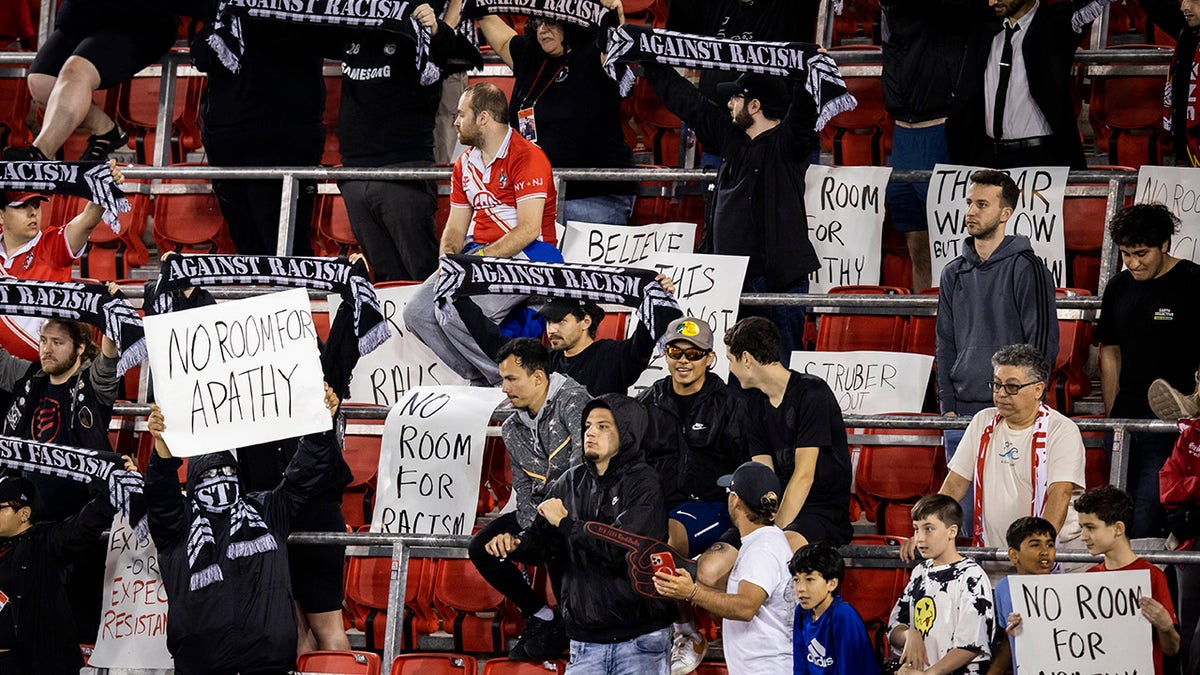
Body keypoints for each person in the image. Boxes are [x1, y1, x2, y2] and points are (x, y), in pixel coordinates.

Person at [143, 385, 345, 675]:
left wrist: (320, 424)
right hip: (202, 667)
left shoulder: (267, 509)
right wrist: (162, 451)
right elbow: (160, 495)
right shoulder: (177, 526)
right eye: (209, 475)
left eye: (227, 472)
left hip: (269, 664)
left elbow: (304, 473)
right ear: (193, 484)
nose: (219, 480)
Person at [641, 66, 820, 359]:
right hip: (730, 280)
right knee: (737, 370)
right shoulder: (731, 137)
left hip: (777, 282)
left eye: (736, 98)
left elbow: (803, 114)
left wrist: (809, 72)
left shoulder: (788, 143)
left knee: (782, 370)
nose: (729, 105)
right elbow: (691, 103)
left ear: (755, 105)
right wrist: (648, 62)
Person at [499, 394, 676, 673]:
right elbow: (543, 543)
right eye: (588, 425)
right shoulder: (568, 482)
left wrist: (567, 524)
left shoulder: (645, 483)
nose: (591, 432)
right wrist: (515, 545)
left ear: (627, 432)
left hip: (639, 640)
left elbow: (623, 548)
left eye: (604, 426)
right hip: (585, 642)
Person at [403, 82, 561, 387]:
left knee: (456, 312)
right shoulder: (464, 163)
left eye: (462, 114)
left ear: (484, 118)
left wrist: (478, 262)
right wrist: (449, 262)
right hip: (480, 255)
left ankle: (517, 381)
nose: (456, 121)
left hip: (534, 256)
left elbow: (529, 229)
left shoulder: (528, 156)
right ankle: (487, 375)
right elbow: (455, 227)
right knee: (417, 313)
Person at [935, 169, 1058, 538]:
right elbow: (944, 343)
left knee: (1012, 527)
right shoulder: (952, 273)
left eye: (982, 204)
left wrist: (1026, 404)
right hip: (964, 413)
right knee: (963, 525)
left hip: (1014, 413)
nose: (971, 211)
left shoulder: (1027, 267)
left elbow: (1042, 344)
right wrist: (947, 406)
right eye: (970, 203)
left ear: (1005, 213)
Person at [901, 344, 1085, 564]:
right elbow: (954, 484)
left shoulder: (1062, 429)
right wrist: (926, 529)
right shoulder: (982, 420)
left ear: (1038, 389)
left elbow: (1060, 493)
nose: (1001, 394)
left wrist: (1039, 547)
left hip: (1047, 561)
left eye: (1012, 387)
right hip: (994, 557)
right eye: (997, 385)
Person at [468, 338, 590, 661]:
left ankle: (571, 629)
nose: (504, 388)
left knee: (554, 538)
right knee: (482, 547)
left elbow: (583, 476)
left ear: (538, 378)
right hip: (537, 520)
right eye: (502, 379)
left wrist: (541, 529)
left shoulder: (574, 403)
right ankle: (541, 615)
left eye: (511, 379)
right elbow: (522, 491)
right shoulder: (511, 428)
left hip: (576, 515)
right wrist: (520, 538)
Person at [174, 0, 327, 256]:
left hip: (283, 138)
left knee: (286, 250)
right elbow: (202, 56)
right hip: (229, 139)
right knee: (247, 250)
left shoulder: (300, 8)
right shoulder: (223, 7)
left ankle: (297, 296)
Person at [475, 0, 637, 225]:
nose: (543, 29)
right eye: (539, 22)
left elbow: (615, 46)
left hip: (595, 197)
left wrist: (615, 17)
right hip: (535, 198)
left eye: (551, 22)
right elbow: (500, 38)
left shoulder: (594, 53)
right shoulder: (531, 55)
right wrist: (477, 5)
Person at [1096, 203, 1200, 538]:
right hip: (1125, 421)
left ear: (1165, 244)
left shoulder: (1194, 281)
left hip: (1172, 426)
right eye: (1126, 254)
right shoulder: (1117, 287)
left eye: (1141, 253)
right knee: (1113, 522)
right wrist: (1114, 413)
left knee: (1146, 520)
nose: (1133, 263)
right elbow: (1109, 349)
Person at [336, 2, 453, 282]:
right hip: (354, 173)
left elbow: (456, 52)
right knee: (386, 283)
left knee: (424, 281)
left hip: (403, 172)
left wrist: (436, 30)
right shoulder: (349, 19)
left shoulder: (420, 26)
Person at [723, 317, 854, 552]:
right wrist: (763, 521)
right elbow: (764, 475)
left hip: (821, 510)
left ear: (746, 359)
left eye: (731, 360)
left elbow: (804, 476)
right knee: (712, 566)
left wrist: (771, 534)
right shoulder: (754, 405)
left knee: (772, 552)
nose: (730, 369)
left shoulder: (813, 393)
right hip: (776, 509)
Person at [880, 0, 984, 292]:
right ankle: (924, 321)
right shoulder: (889, 11)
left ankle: (958, 325)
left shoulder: (945, 13)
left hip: (940, 129)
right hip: (903, 135)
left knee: (954, 246)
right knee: (918, 245)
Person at [654, 461, 794, 675]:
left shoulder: (762, 549)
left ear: (735, 500)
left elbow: (746, 607)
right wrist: (687, 586)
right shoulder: (765, 542)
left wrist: (691, 592)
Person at [2, 0, 175, 161]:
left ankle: (40, 153)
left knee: (76, 71)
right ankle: (105, 130)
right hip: (84, 15)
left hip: (136, 19)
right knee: (41, 82)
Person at [945, 0, 1109, 169]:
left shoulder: (1056, 23)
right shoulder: (983, 27)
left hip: (1041, 158)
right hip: (988, 157)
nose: (992, 1)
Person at [638, 316, 753, 557]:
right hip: (654, 505)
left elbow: (747, 467)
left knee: (667, 539)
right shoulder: (646, 402)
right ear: (665, 354)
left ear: (709, 358)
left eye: (693, 354)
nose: (683, 361)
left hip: (710, 506)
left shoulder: (732, 405)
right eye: (674, 352)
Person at [0, 473, 131, 674]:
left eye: (0, 508)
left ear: (24, 513)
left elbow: (86, 523)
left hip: (38, 664)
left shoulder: (47, 541)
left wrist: (114, 482)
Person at [0, 160, 126, 361]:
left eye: (36, 205)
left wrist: (104, 185)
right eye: (22, 206)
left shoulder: (52, 245)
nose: (33, 212)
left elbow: (87, 220)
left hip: (41, 372)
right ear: (1, 216)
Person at [1075, 486, 1180, 675]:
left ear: (1118, 528)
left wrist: (1166, 627)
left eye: (1090, 527)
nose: (1083, 536)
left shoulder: (1152, 575)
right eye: (1081, 527)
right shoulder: (1088, 577)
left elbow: (1171, 649)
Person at [888, 494, 994, 675]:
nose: (920, 538)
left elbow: (971, 645)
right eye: (916, 529)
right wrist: (910, 635)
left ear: (952, 531)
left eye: (929, 529)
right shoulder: (920, 572)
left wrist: (929, 674)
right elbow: (894, 628)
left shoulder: (972, 576)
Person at [541, 297, 674, 396]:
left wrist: (658, 296)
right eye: (548, 321)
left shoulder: (612, 356)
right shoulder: (544, 361)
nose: (551, 330)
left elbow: (643, 339)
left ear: (585, 322)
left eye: (560, 321)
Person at [789, 541, 881, 675]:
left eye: (809, 579)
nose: (800, 588)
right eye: (796, 580)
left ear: (832, 583)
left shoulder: (843, 615)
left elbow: (850, 670)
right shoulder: (802, 612)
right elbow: (800, 666)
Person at [1133, 0, 1200, 166]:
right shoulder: (1188, 33)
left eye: (1193, 1)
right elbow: (1157, 6)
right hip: (1185, 150)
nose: (1184, 7)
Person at [989, 516, 1057, 675]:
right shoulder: (1003, 587)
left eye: (1050, 544)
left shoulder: (1065, 588)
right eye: (1035, 545)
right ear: (1014, 555)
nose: (1045, 552)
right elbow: (1008, 641)